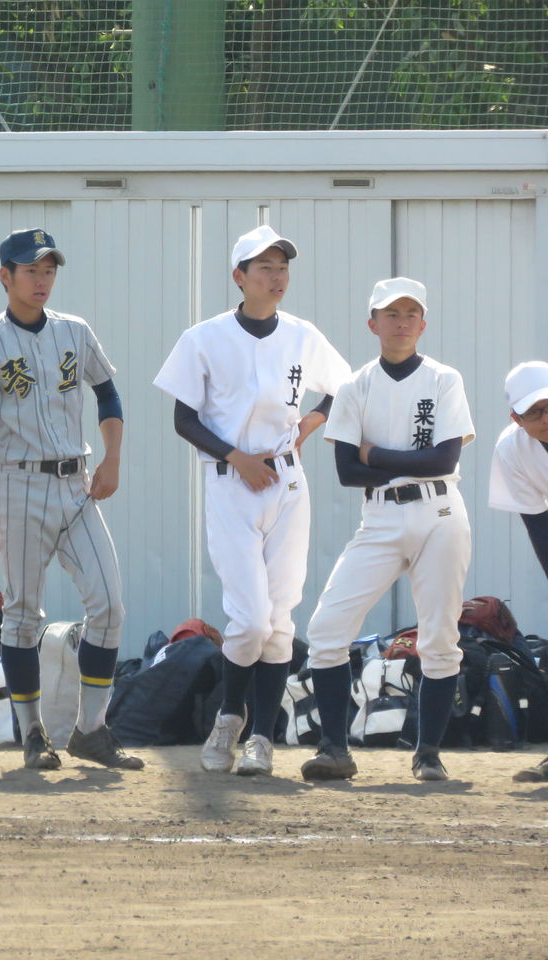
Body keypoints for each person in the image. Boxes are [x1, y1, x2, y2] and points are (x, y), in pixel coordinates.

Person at [154, 225, 350, 776]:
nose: (276, 276)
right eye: (263, 267)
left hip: (286, 483)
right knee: (248, 621)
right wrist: (236, 456)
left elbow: (345, 388)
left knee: (281, 621)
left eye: (282, 266)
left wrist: (312, 420)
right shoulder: (205, 337)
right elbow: (183, 418)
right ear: (239, 277)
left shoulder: (302, 335)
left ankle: (261, 738)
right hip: (231, 482)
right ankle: (229, 715)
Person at [0, 228, 141, 772]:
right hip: (18, 484)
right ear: (4, 276)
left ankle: (91, 731)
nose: (41, 279)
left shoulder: (74, 332)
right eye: (30, 269)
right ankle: (33, 733)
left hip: (76, 481)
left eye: (48, 269)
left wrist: (112, 458)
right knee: (21, 614)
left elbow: (107, 390)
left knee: (108, 604)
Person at [301, 277, 474, 783]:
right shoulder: (356, 385)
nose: (400, 323)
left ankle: (428, 753)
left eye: (409, 314)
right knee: (326, 630)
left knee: (440, 639)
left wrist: (375, 454)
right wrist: (404, 465)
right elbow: (346, 471)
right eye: (390, 314)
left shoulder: (444, 379)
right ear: (372, 324)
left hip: (440, 514)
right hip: (379, 515)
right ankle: (334, 749)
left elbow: (445, 458)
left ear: (424, 324)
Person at [487, 361, 548, 783]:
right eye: (534, 413)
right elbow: (540, 524)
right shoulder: (512, 450)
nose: (545, 418)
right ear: (516, 418)